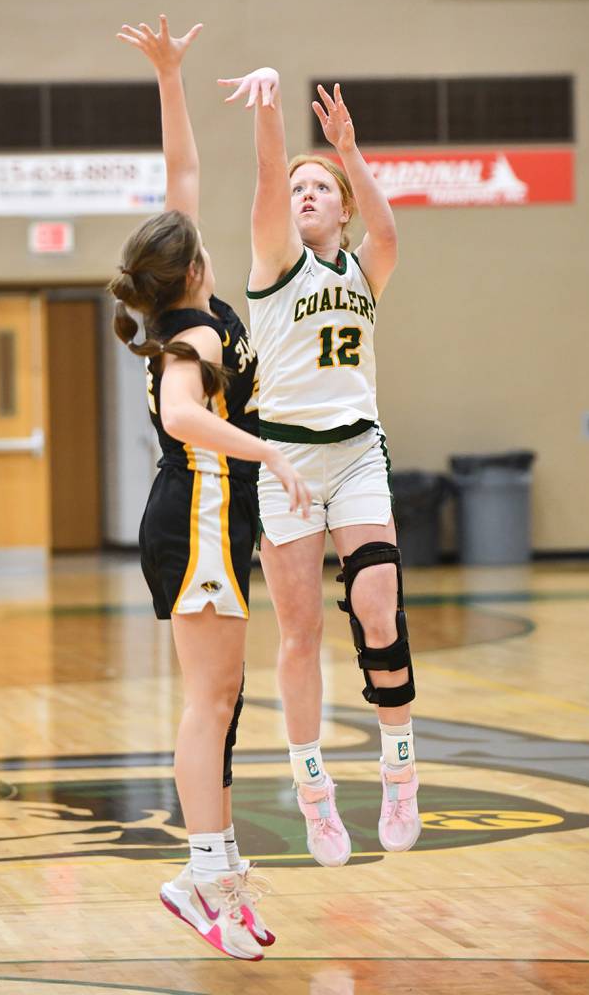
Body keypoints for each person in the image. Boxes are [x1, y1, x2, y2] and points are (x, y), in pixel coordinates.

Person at [109, 18, 310, 960]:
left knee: (221, 699)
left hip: (210, 519)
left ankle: (219, 872)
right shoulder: (188, 333)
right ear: (190, 268)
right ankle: (201, 872)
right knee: (208, 702)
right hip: (194, 513)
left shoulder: (186, 303)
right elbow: (186, 417)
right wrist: (266, 455)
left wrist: (170, 76)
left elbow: (178, 179)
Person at [218, 67, 420, 866]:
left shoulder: (363, 271)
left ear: (340, 206)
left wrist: (348, 150)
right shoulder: (275, 265)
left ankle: (400, 774)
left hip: (357, 451)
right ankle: (315, 796)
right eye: (298, 188)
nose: (303, 194)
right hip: (286, 460)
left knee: (379, 608)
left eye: (318, 188)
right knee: (299, 633)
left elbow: (393, 236)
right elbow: (269, 176)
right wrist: (269, 107)